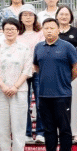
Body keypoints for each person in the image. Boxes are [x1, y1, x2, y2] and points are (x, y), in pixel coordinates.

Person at [34, 18, 77, 151]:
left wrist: (66, 79)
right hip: (44, 95)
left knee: (64, 128)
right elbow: (36, 66)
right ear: (43, 30)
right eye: (46, 28)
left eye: (52, 28)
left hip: (62, 94)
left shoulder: (67, 46)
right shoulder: (38, 47)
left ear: (58, 29)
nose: (49, 31)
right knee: (48, 128)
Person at [0, 18, 33, 151]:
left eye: (13, 29)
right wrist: (3, 86)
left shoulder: (25, 48)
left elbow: (27, 70)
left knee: (19, 123)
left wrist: (15, 86)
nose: (10, 31)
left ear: (18, 31)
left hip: (19, 90)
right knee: (2, 124)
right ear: (3, 30)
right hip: (1, 90)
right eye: (7, 29)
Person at [55, 6, 77, 139]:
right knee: (57, 104)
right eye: (61, 14)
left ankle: (76, 132)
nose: (64, 17)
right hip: (56, 74)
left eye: (66, 14)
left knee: (74, 104)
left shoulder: (76, 32)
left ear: (71, 17)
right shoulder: (53, 30)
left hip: (73, 73)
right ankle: (58, 132)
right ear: (57, 16)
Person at [18, 10, 46, 143]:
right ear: (20, 18)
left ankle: (40, 132)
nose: (28, 18)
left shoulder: (40, 33)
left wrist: (35, 65)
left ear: (35, 17)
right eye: (25, 15)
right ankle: (27, 132)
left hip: (38, 71)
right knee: (24, 103)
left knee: (40, 102)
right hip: (21, 73)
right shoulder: (18, 34)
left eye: (30, 15)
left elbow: (41, 50)